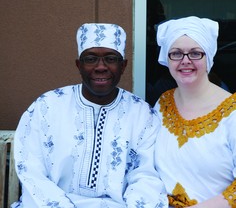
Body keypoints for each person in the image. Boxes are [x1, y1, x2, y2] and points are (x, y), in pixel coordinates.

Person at [12, 23, 168, 208]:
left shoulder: (142, 115)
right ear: (79, 65)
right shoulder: (46, 107)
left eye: (110, 58)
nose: (100, 67)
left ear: (123, 66)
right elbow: (31, 171)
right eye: (91, 58)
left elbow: (146, 177)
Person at [153, 16, 236, 207]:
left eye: (195, 53)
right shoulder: (163, 104)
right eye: (176, 53)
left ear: (209, 57)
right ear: (167, 58)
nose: (185, 61)